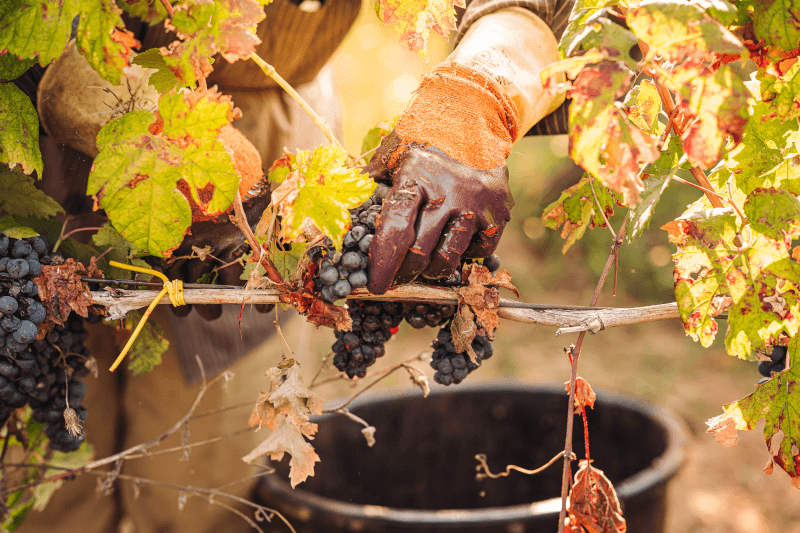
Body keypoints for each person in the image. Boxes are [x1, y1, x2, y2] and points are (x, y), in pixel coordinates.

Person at [12, 0, 574, 531]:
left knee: (210, 486)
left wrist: (471, 99)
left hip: (258, 142)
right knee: (41, 488)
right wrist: (78, 85)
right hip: (23, 163)